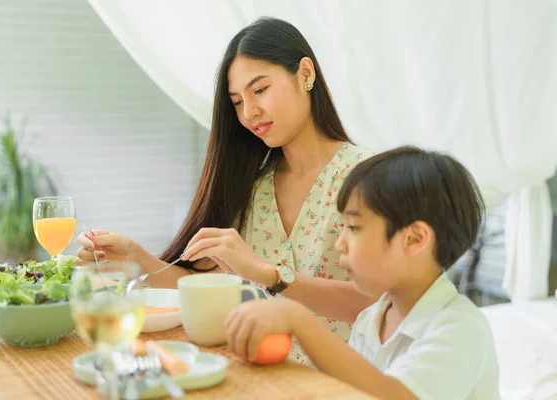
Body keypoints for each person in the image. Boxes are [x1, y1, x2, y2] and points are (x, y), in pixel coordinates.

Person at [76, 17, 375, 364]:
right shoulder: (254, 191)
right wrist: (135, 258)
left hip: (347, 384)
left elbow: (378, 304)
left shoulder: (367, 179)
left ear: (305, 74)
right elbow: (203, 288)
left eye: (260, 90)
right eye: (237, 102)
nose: (250, 113)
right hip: (263, 378)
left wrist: (268, 274)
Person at [225, 146, 500, 399]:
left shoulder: (461, 328)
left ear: (414, 239)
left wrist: (298, 319)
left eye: (353, 228)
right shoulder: (372, 319)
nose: (339, 243)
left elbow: (392, 395)